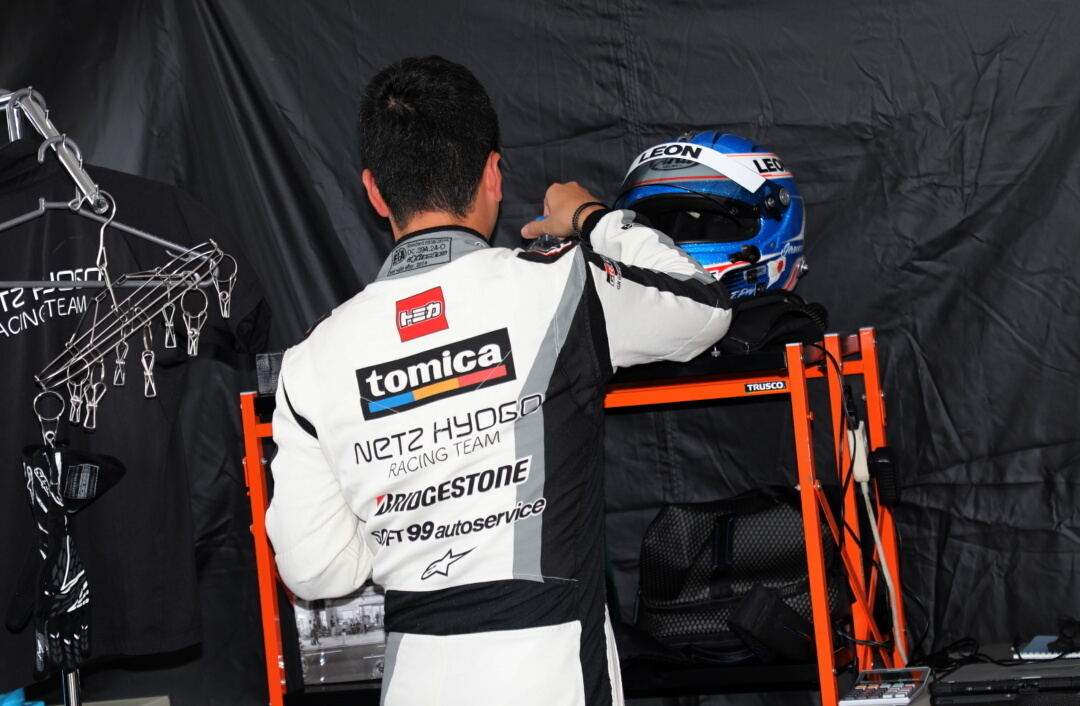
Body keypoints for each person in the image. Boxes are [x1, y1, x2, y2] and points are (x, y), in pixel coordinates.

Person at [265, 55, 733, 706]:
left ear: (374, 192)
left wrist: (407, 520)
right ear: (493, 175)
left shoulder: (310, 360)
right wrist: (592, 218)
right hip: (554, 673)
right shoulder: (562, 284)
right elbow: (705, 307)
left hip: (415, 680)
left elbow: (315, 572)